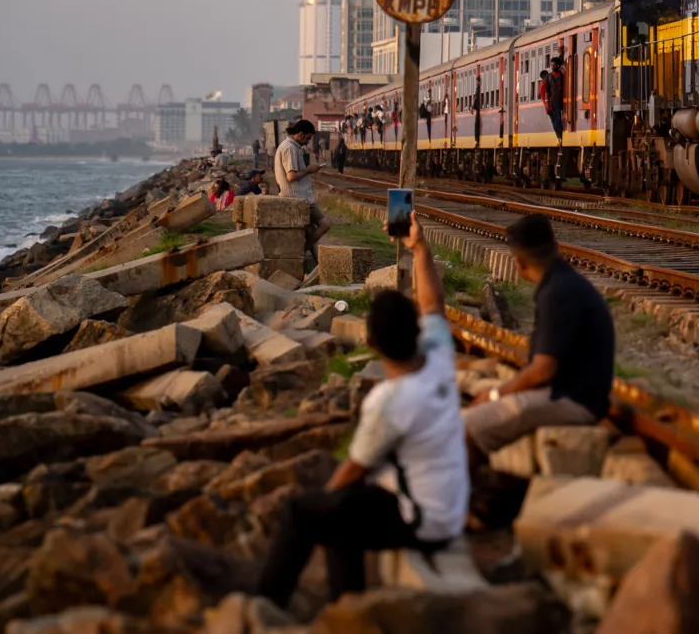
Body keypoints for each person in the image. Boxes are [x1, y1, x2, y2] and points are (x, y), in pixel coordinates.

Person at [257, 215, 467, 606]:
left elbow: (353, 468)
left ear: (370, 342)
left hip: (422, 522)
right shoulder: (439, 356)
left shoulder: (388, 401)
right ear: (416, 332)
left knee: (302, 513)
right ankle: (347, 603)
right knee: (343, 510)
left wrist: (323, 504)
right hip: (448, 506)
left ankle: (263, 604)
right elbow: (434, 303)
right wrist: (420, 248)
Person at [462, 213, 615, 454]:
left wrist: (494, 395)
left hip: (573, 401)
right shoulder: (565, 283)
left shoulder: (557, 293)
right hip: (573, 392)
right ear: (556, 247)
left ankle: (460, 489)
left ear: (519, 264)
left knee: (465, 426)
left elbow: (543, 370)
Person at [273, 120, 332, 265]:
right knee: (325, 224)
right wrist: (309, 170)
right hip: (297, 196)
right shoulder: (290, 148)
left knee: (311, 230)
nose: (308, 141)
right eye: (308, 138)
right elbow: (291, 176)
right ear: (300, 134)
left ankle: (319, 263)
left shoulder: (290, 146)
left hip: (298, 195)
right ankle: (299, 254)